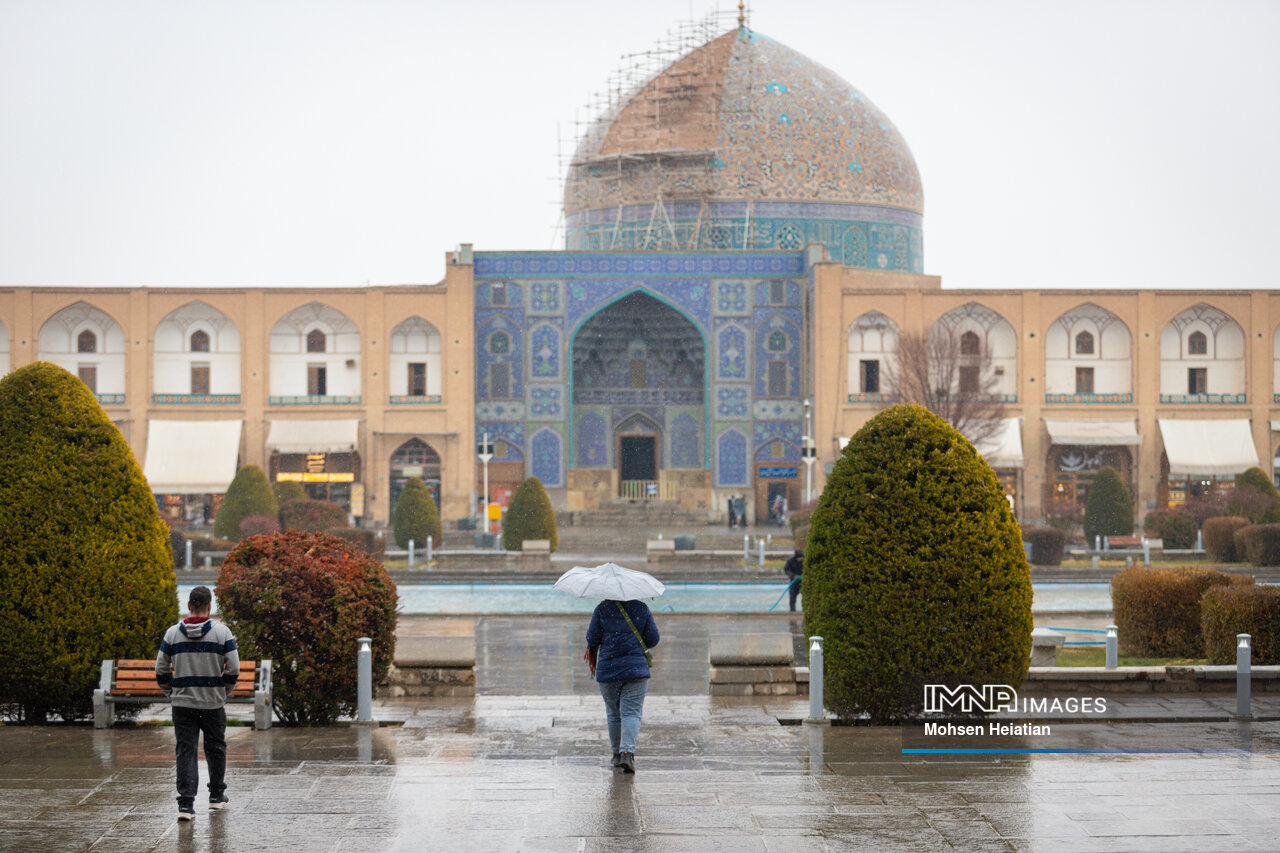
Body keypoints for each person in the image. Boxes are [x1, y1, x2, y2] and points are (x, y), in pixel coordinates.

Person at [155, 586, 240, 821]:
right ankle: (216, 796)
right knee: (216, 749)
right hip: (213, 703)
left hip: (183, 703)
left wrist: (172, 692)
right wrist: (223, 692)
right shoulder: (222, 633)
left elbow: (161, 669)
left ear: (189, 606)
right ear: (210, 607)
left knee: (186, 750)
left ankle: (186, 804)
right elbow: (233, 668)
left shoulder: (172, 634)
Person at [586, 598, 659, 774]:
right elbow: (653, 639)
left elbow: (591, 638)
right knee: (631, 713)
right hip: (636, 671)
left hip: (608, 671)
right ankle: (627, 753)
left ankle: (616, 754)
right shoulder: (641, 608)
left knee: (613, 713)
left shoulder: (602, 609)